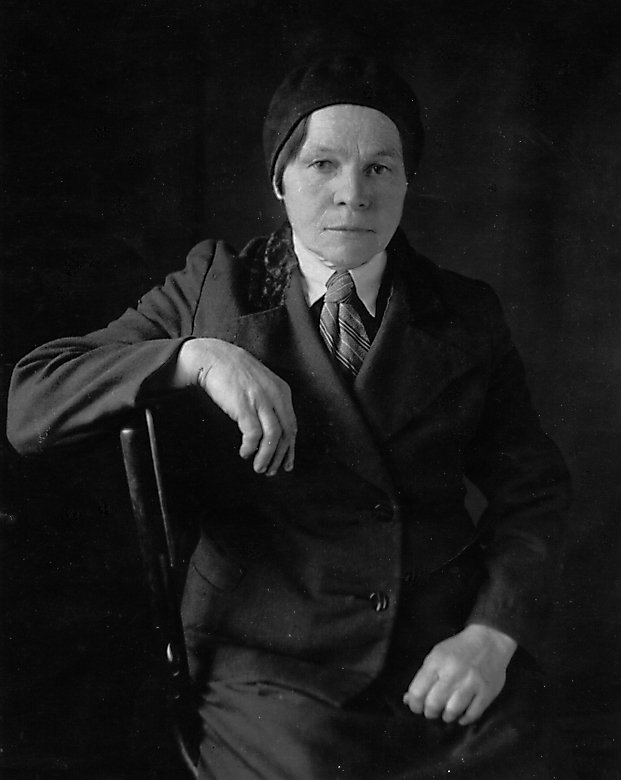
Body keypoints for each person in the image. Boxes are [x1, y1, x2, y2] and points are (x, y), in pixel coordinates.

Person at [7, 56, 572, 779]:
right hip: (273, 658)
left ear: (407, 182)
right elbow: (32, 398)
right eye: (322, 164)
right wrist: (195, 357)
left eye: (379, 169)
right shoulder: (215, 287)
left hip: (439, 647)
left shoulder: (464, 311)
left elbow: (534, 491)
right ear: (279, 179)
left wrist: (492, 635)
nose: (352, 194)